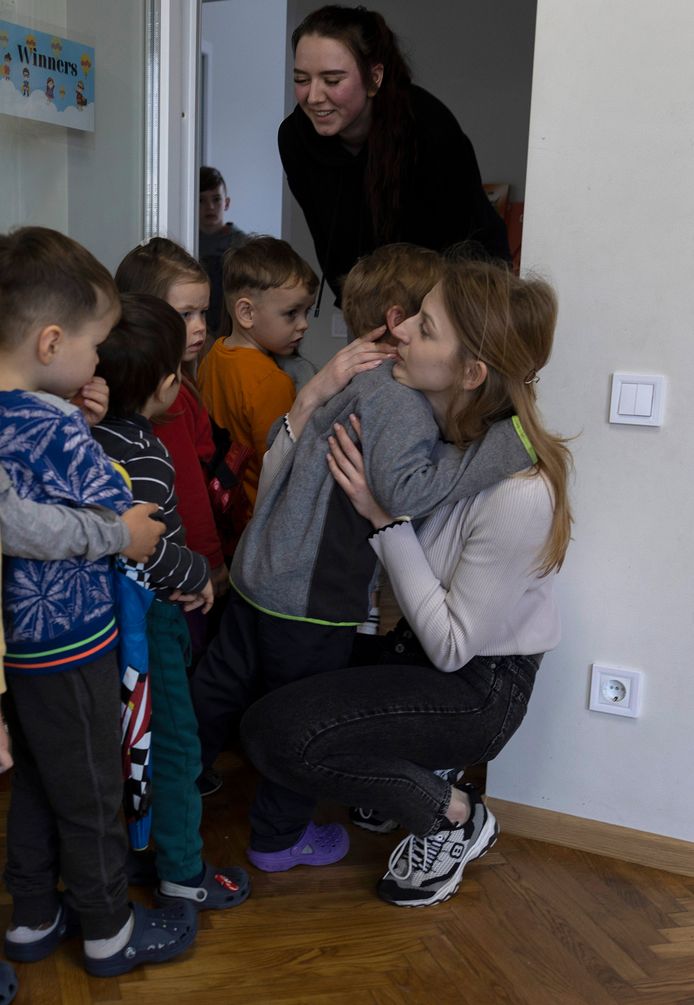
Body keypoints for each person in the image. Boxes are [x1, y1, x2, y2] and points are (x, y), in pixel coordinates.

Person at [240, 257, 572, 907]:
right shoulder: (426, 424)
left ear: (470, 371)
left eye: (428, 326)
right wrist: (309, 402)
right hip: (410, 647)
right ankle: (401, 770)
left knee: (276, 734)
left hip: (476, 685)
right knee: (277, 683)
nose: (404, 328)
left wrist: (381, 521)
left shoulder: (517, 490)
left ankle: (450, 811)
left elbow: (452, 644)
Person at [0, 226, 197, 977]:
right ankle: (111, 930)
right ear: (51, 343)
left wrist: (74, 422)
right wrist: (122, 527)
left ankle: (33, 914)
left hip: (17, 647)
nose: (97, 362)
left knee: (41, 783)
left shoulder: (15, 414)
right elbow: (110, 501)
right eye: (93, 346)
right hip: (72, 642)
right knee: (91, 786)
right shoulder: (51, 424)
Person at [92, 293, 250, 912]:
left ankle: (132, 850)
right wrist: (198, 573)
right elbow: (145, 547)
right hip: (152, 619)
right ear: (163, 385)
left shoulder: (82, 437)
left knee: (122, 743)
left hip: (96, 623)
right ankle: (183, 869)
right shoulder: (143, 451)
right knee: (177, 742)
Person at [279, 4, 510, 309]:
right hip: (370, 295)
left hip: (460, 287)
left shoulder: (429, 129)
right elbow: (330, 243)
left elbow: (452, 244)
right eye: (301, 79)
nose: (314, 96)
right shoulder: (295, 138)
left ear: (374, 77)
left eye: (332, 80)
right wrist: (357, 306)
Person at [115, 237, 229, 658]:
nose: (200, 327)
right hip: (182, 578)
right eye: (184, 315)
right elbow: (189, 493)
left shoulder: (160, 385)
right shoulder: (170, 396)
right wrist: (211, 564)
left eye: (203, 312)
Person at [197, 235, 318, 538]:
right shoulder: (271, 382)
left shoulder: (216, 354)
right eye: (291, 313)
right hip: (258, 525)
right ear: (246, 313)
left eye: (306, 312)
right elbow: (284, 468)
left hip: (221, 515)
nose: (303, 324)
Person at [198, 165, 247, 338]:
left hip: (231, 329)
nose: (210, 207)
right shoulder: (187, 242)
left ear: (226, 203)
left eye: (216, 199)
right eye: (201, 200)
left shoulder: (242, 244)